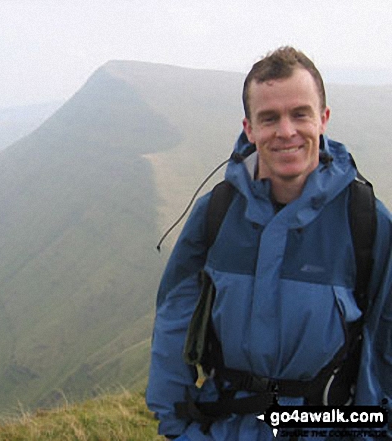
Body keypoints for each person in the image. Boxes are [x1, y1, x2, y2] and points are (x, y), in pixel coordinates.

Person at [146, 46, 392, 440]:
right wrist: (176, 424)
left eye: (300, 114)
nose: (286, 132)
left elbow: (385, 340)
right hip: (223, 427)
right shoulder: (217, 213)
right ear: (249, 128)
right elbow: (175, 313)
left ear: (323, 119)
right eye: (269, 118)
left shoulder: (365, 221)